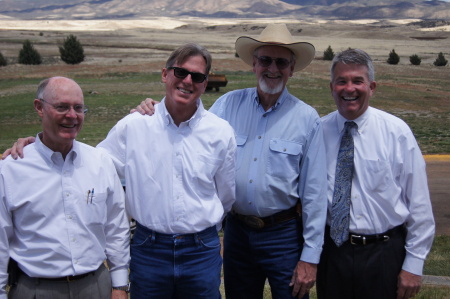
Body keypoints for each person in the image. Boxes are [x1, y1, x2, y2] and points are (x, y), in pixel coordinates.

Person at [3, 44, 237, 298]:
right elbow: (90, 164)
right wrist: (37, 145)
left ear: (205, 83)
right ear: (165, 75)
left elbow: (225, 195)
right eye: (180, 72)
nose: (188, 81)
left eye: (198, 76)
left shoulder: (220, 132)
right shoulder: (133, 126)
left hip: (200, 250)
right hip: (149, 249)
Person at [133, 24, 328, 299]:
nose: (272, 68)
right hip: (236, 233)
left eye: (281, 62)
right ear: (254, 65)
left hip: (283, 236)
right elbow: (189, 130)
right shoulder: (227, 105)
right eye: (265, 60)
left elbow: (315, 195)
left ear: (292, 69)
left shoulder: (307, 119)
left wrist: (310, 257)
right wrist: (153, 110)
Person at [316, 48, 435, 299]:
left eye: (358, 81)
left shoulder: (396, 133)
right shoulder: (318, 132)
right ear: (331, 87)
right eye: (342, 81)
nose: (349, 88)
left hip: (383, 255)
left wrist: (413, 265)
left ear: (371, 86)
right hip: (333, 254)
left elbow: (420, 205)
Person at [0, 77, 130, 299]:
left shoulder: (99, 162)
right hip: (36, 289)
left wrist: (120, 285)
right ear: (39, 108)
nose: (72, 115)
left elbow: (115, 227)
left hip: (95, 286)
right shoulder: (10, 169)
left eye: (78, 108)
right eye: (61, 107)